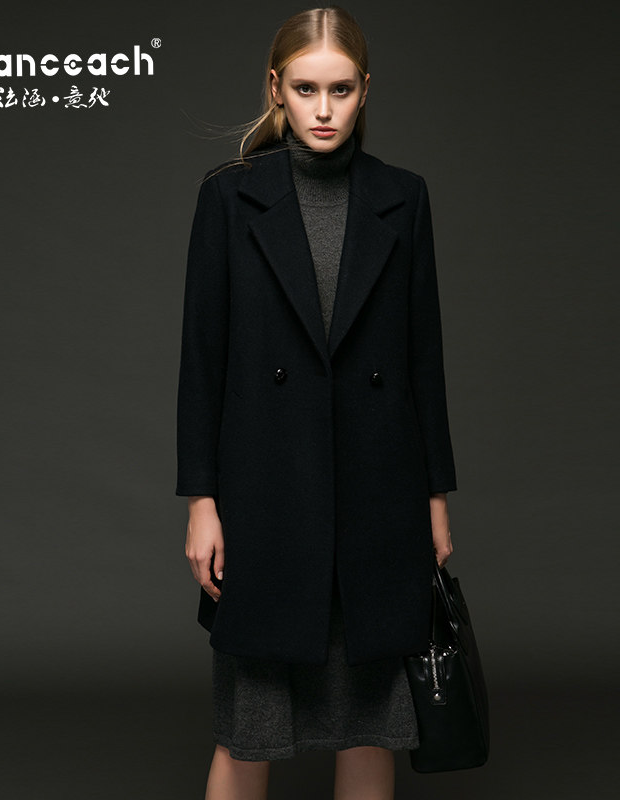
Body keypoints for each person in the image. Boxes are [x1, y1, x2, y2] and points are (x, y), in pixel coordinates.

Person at [176, 6, 457, 799]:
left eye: (340, 90)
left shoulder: (403, 197)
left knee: (371, 726)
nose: (324, 109)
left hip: (378, 491)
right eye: (306, 89)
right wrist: (202, 502)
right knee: (251, 729)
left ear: (366, 89)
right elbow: (201, 360)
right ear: (275, 88)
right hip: (266, 493)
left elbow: (423, 361)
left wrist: (435, 497)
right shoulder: (229, 198)